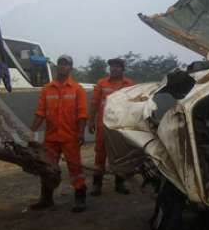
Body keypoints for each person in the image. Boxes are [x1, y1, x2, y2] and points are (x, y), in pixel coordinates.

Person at [30, 55, 88, 212]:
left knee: (75, 169)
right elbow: (40, 112)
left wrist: (81, 133)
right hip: (51, 138)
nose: (62, 66)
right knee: (47, 168)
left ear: (70, 68)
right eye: (60, 64)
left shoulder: (78, 89)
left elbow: (82, 114)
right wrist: (32, 131)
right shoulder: (46, 89)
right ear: (56, 67)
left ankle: (80, 198)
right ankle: (46, 199)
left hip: (70, 137)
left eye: (66, 64)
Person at [88, 58, 135, 196]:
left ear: (122, 69)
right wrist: (91, 121)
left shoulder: (130, 84)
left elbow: (134, 106)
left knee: (120, 155)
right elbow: (94, 103)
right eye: (112, 67)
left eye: (117, 67)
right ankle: (97, 185)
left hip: (121, 126)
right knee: (100, 155)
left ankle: (119, 184)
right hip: (103, 126)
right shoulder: (101, 83)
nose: (113, 69)